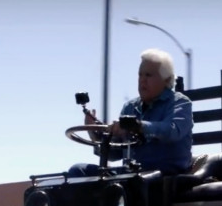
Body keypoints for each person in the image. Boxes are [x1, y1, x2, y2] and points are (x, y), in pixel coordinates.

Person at [69, 48, 193, 176]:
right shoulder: (130, 107)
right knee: (78, 171)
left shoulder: (180, 103)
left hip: (166, 176)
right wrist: (95, 134)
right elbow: (114, 154)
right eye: (140, 74)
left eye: (148, 75)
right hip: (132, 175)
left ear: (166, 80)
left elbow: (173, 131)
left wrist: (138, 126)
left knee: (133, 182)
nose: (142, 80)